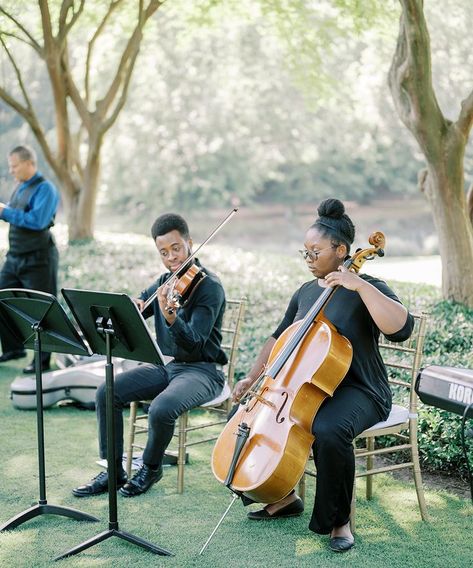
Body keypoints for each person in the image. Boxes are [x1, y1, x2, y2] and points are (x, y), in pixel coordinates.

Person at [231, 198, 414, 553]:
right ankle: (281, 496)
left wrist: (358, 285)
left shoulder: (367, 286)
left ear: (341, 250)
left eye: (315, 252)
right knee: (251, 417)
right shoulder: (305, 292)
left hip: (362, 390)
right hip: (311, 389)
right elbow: (278, 337)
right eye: (306, 252)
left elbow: (401, 327)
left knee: (329, 430)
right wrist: (253, 378)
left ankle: (339, 520)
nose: (309, 259)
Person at [72, 213, 227, 498]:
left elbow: (194, 344)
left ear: (189, 243)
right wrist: (131, 307)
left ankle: (151, 467)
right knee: (107, 391)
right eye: (164, 253)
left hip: (202, 371)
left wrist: (172, 319)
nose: (171, 258)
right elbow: (138, 310)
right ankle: (113, 470)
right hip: (166, 367)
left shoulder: (209, 287)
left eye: (176, 248)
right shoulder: (164, 282)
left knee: (160, 408)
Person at [0, 145, 60, 373]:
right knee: (1, 296)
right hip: (14, 258)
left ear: (29, 164)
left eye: (14, 166)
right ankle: (13, 348)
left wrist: (4, 212)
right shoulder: (19, 187)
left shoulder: (46, 188)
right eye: (10, 166)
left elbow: (37, 221)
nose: (11, 170)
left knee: (41, 309)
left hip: (39, 259)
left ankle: (42, 361)